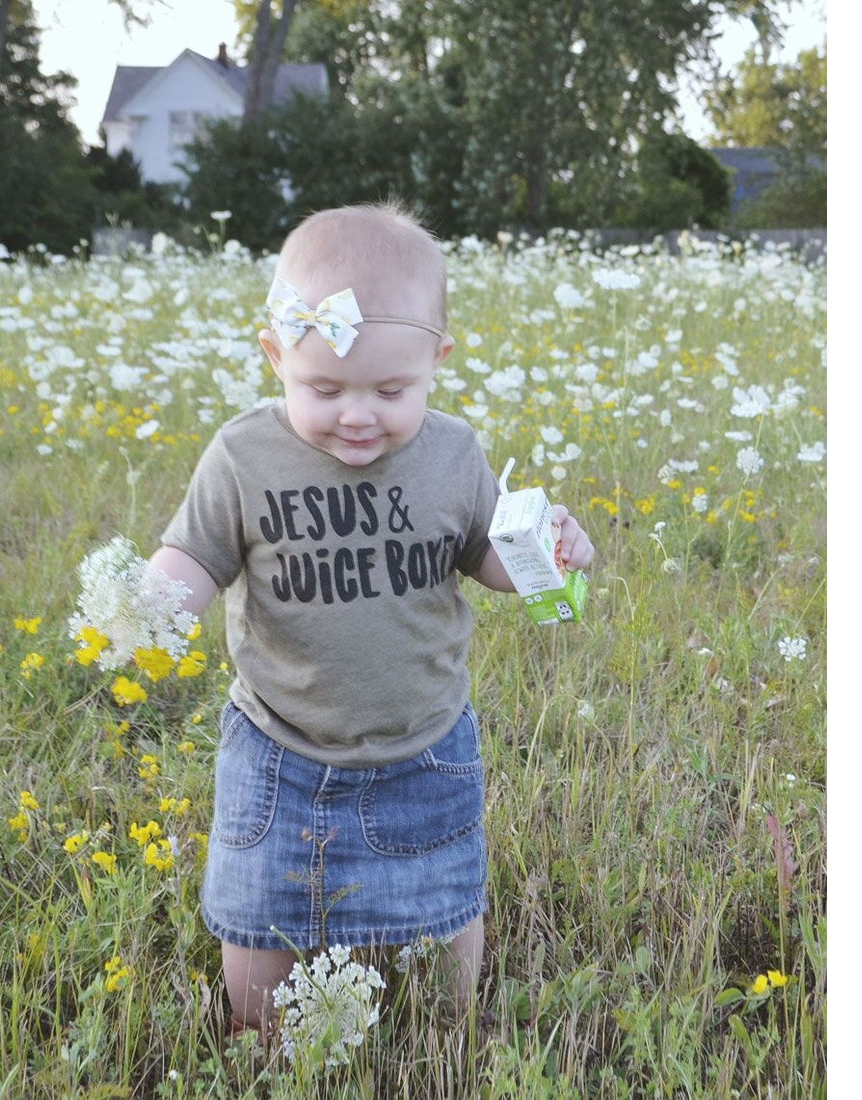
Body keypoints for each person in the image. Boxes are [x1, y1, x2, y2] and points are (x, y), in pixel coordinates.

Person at [148, 201, 595, 1035]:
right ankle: (260, 1044)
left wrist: (552, 551)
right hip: (277, 749)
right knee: (257, 922)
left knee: (446, 903)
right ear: (275, 355)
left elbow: (488, 557)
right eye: (324, 388)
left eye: (392, 390)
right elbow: (196, 557)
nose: (358, 415)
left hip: (423, 747)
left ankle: (447, 1034)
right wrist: (147, 605)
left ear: (437, 360)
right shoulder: (243, 457)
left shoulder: (453, 454)